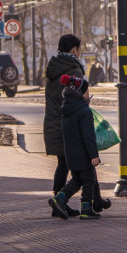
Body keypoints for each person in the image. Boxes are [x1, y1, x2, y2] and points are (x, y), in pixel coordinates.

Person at [48, 75, 111, 220]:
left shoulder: (67, 109)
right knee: (88, 179)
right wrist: (93, 155)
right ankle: (86, 209)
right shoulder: (84, 112)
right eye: (87, 92)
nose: (89, 95)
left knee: (77, 179)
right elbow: (88, 137)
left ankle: (61, 198)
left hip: (71, 152)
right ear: (81, 93)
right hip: (83, 153)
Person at [44, 34, 85, 217]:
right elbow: (77, 100)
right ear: (74, 49)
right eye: (79, 49)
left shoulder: (53, 67)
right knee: (73, 165)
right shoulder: (73, 70)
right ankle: (60, 199)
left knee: (64, 163)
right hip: (67, 124)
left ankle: (59, 200)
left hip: (53, 121)